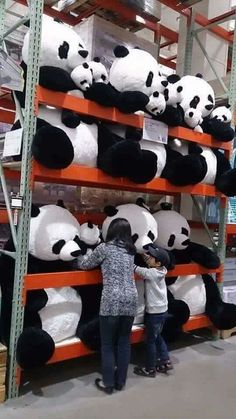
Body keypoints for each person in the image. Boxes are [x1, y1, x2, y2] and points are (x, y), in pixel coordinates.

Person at [76, 218, 137, 394]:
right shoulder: (131, 251)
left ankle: (108, 383)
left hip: (111, 300)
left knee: (108, 344)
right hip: (130, 299)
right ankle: (121, 382)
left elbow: (85, 265)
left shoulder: (104, 248)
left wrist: (77, 258)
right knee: (124, 342)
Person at [133, 246, 173, 377]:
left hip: (154, 313)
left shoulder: (152, 273)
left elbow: (140, 271)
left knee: (150, 340)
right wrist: (143, 254)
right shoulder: (161, 270)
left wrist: (129, 263)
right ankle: (165, 360)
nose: (148, 258)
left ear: (158, 263)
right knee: (157, 336)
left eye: (151, 257)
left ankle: (150, 368)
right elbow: (149, 264)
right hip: (163, 310)